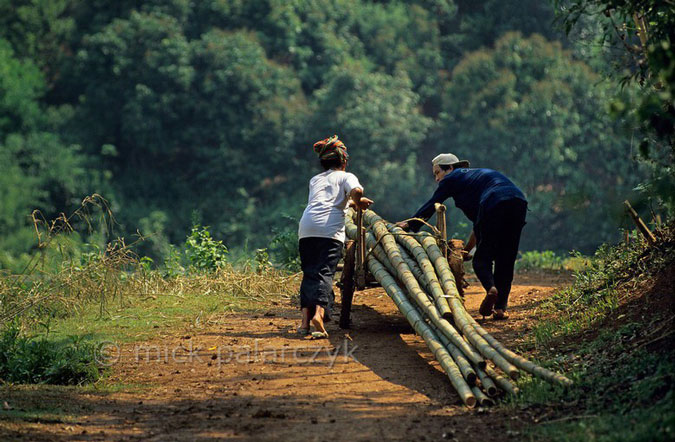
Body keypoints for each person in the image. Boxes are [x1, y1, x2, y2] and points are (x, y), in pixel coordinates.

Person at [396, 153, 527, 320]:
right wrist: (466, 250)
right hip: (518, 202)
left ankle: (491, 289)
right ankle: (500, 308)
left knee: (481, 260)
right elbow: (479, 225)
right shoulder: (475, 179)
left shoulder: (452, 178)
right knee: (506, 258)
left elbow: (433, 203)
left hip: (494, 202)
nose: (437, 179)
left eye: (437, 173)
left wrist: (410, 223)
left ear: (449, 168)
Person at [297, 135, 373, 338]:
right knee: (324, 272)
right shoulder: (346, 176)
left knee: (309, 272)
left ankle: (304, 322)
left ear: (323, 162)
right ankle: (319, 316)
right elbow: (355, 190)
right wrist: (359, 200)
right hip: (329, 231)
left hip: (306, 228)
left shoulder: (315, 180)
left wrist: (353, 202)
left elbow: (328, 201)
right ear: (344, 162)